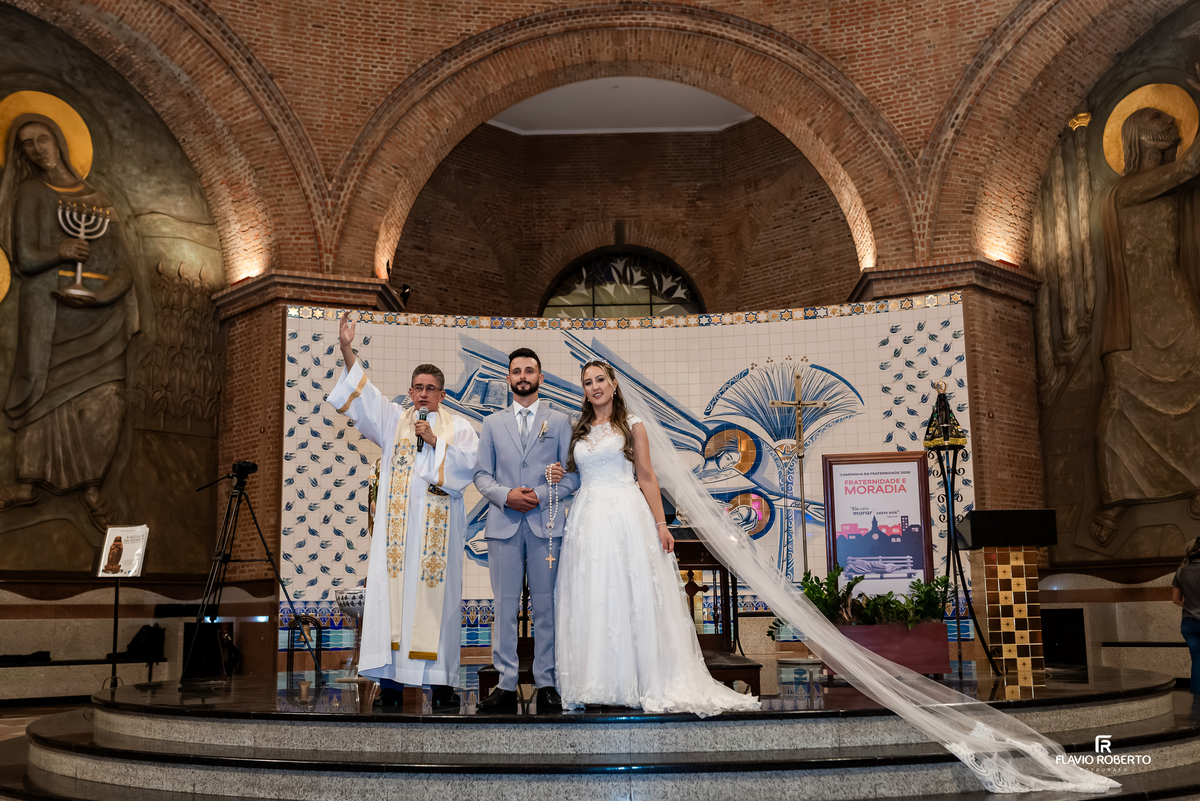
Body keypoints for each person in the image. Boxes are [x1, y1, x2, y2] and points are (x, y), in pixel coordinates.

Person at [553, 360, 759, 715]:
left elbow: (647, 477)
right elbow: (575, 474)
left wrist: (661, 524)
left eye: (600, 379)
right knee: (593, 593)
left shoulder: (633, 425)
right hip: (587, 517)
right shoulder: (579, 429)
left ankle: (635, 679)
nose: (595, 386)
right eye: (588, 382)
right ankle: (594, 681)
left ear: (614, 384)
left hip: (624, 516)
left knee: (627, 592)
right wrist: (557, 471)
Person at [331, 312, 479, 706]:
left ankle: (442, 687)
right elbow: (362, 393)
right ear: (410, 391)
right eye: (418, 387)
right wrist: (347, 348)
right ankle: (392, 687)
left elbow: (467, 468)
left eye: (431, 388)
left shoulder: (459, 427)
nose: (424, 394)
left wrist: (434, 442)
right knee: (393, 604)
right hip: (396, 542)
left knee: (436, 608)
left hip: (436, 543)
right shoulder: (393, 420)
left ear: (442, 395)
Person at [0, 115, 136, 529]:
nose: (37, 148)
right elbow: (24, 257)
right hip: (49, 318)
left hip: (97, 322)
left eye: (43, 139)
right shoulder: (29, 192)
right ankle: (27, 484)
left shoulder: (97, 199)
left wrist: (100, 295)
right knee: (44, 396)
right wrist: (59, 250)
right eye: (26, 144)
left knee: (107, 398)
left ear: (59, 140)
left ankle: (93, 487)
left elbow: (123, 264)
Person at [473, 348, 579, 713]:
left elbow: (574, 476)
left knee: (546, 606)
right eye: (516, 371)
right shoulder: (491, 423)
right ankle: (505, 684)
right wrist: (506, 496)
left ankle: (547, 681)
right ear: (508, 378)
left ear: (541, 377)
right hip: (503, 524)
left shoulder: (561, 421)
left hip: (545, 523)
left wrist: (541, 494)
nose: (522, 376)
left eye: (529, 370)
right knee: (504, 607)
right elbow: (481, 475)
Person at [1172, 536, 1200, 694]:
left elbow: (1175, 599)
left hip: (1189, 624)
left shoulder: (1181, 571)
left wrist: (1190, 605)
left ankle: (1197, 699)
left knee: (1197, 661)